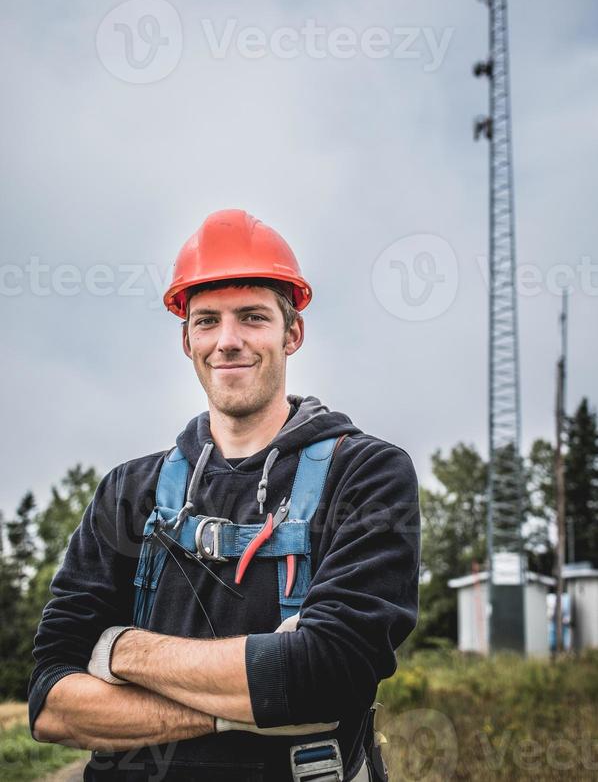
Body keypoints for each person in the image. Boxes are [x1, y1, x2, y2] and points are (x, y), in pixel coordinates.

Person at [28, 209, 421, 782]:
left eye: (252, 317)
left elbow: (330, 674)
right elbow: (51, 703)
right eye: (207, 320)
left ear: (293, 333)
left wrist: (119, 651)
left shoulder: (367, 475)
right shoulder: (128, 492)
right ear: (186, 337)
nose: (228, 341)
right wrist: (250, 705)